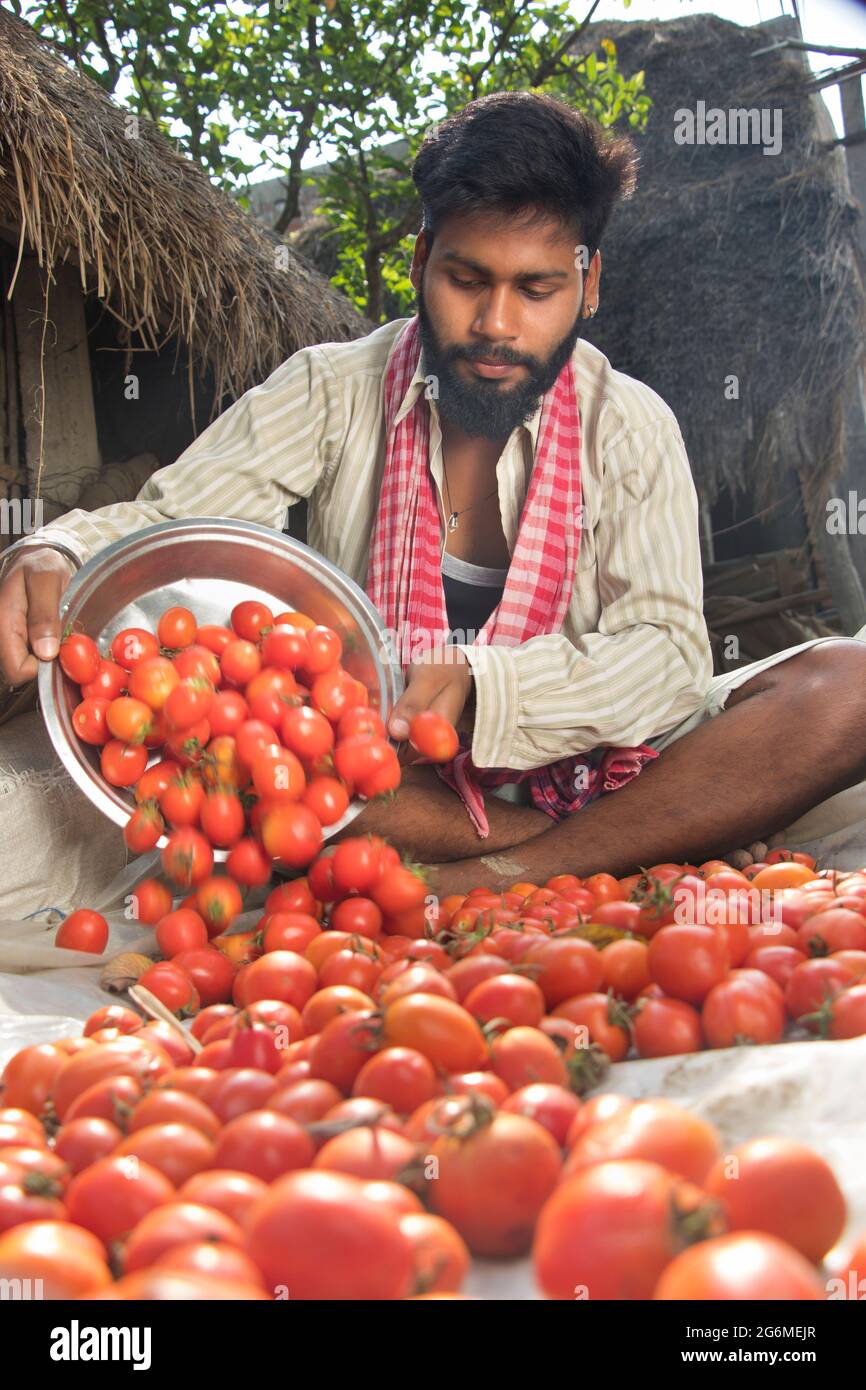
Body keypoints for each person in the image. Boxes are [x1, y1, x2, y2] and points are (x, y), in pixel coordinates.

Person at [2, 90, 865, 905]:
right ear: (421, 261)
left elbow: (668, 659)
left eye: (537, 289)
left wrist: (483, 682)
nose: (496, 322)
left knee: (846, 686)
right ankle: (629, 846)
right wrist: (60, 551)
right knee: (290, 767)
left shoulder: (632, 425)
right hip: (395, 775)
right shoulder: (331, 389)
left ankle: (509, 868)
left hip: (604, 760)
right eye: (466, 279)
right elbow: (170, 519)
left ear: (588, 284)